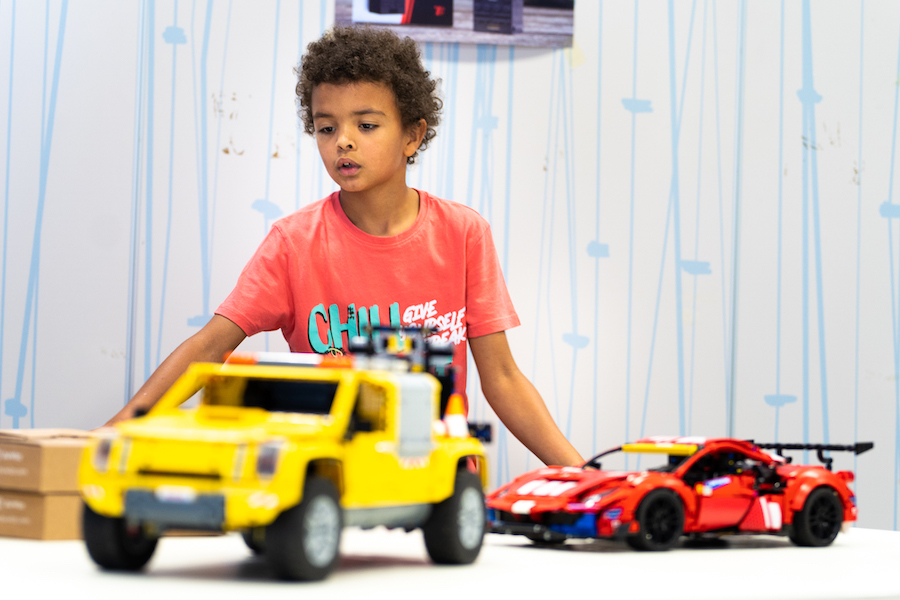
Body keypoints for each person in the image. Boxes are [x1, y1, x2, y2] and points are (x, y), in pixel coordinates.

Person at [107, 25, 583, 468]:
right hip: (326, 482)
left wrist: (583, 477)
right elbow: (210, 346)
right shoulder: (293, 243)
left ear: (412, 135)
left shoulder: (463, 233)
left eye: (367, 125)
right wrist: (114, 433)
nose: (344, 143)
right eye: (327, 127)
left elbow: (502, 379)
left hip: (433, 481)